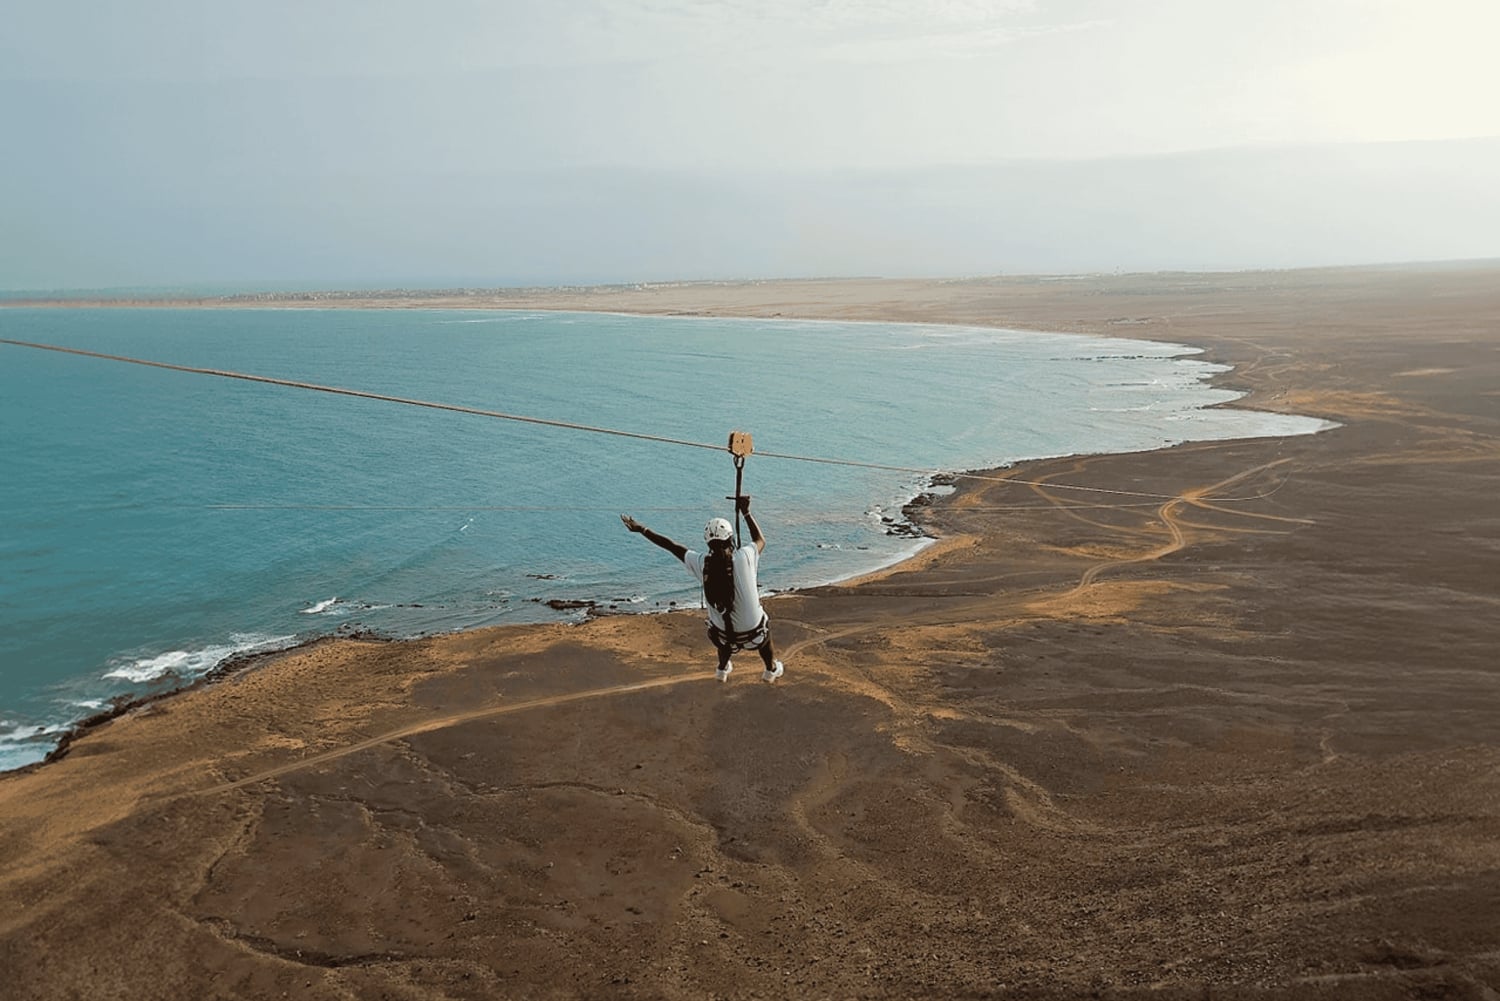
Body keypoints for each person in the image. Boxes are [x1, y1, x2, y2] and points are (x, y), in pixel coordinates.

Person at [620, 496, 785, 683]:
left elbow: (672, 546)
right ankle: (770, 669)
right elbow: (760, 539)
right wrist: (745, 511)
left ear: (708, 543)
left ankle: (722, 669)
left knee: (722, 622)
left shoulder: (702, 564)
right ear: (730, 539)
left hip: (722, 637)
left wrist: (642, 529)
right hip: (754, 634)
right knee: (763, 628)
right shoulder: (745, 556)